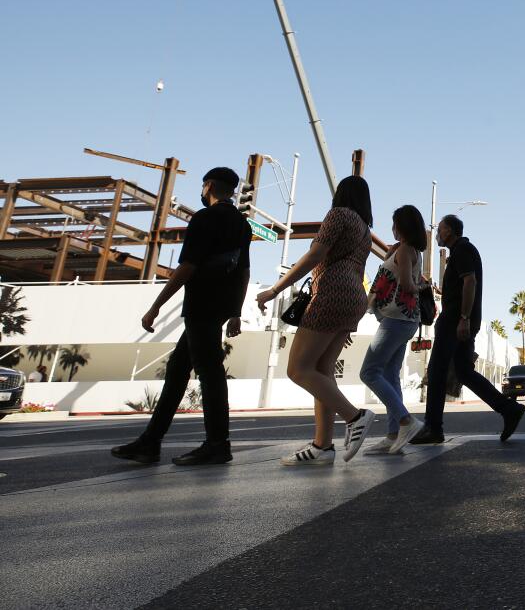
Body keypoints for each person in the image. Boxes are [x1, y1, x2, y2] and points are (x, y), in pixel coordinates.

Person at [112, 167, 250, 466]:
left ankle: (217, 444)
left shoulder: (205, 218)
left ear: (209, 185)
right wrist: (236, 311)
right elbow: (243, 271)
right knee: (177, 371)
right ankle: (150, 442)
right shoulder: (242, 223)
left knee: (210, 374)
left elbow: (187, 267)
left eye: (203, 187)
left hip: (201, 305)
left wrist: (156, 306)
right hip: (220, 307)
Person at [257, 175, 376, 466]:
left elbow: (315, 255)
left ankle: (355, 417)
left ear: (341, 195)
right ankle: (322, 447)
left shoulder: (338, 215)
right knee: (322, 371)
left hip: (332, 292)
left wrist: (275, 289)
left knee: (298, 369)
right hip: (354, 297)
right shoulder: (365, 231)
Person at [411, 216, 525, 444]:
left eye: (440, 230)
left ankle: (434, 428)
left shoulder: (463, 249)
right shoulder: (463, 251)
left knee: (436, 370)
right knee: (463, 371)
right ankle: (508, 409)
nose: (436, 234)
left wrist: (463, 318)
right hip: (460, 320)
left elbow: (470, 282)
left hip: (455, 321)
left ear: (451, 231)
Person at [360, 205, 428, 455]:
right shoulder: (407, 251)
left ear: (402, 226)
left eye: (395, 223)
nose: (392, 227)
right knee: (389, 375)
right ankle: (392, 436)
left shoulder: (406, 251)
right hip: (405, 320)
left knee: (369, 372)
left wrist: (421, 287)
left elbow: (409, 286)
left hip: (396, 320)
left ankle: (405, 422)